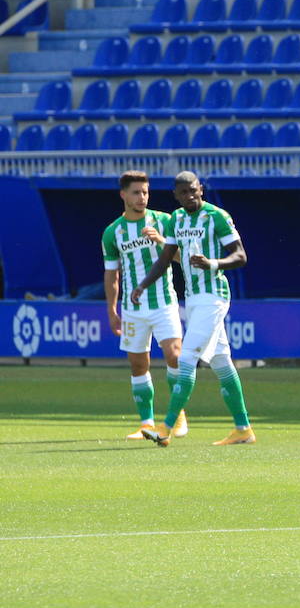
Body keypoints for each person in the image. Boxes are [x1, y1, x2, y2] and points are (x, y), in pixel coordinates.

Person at [132, 172, 255, 447]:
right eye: (183, 193)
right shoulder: (176, 218)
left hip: (214, 296)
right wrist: (143, 285)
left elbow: (240, 256)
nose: (189, 196)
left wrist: (212, 263)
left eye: (193, 190)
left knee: (187, 358)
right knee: (222, 362)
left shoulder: (217, 216)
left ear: (201, 189)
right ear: (176, 196)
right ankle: (243, 429)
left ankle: (165, 428)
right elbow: (166, 257)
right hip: (194, 297)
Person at [101, 170, 188, 441]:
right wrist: (112, 310)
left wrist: (162, 243)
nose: (142, 197)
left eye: (146, 192)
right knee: (138, 365)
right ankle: (145, 424)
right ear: (123, 195)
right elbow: (111, 274)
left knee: (175, 355)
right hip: (133, 308)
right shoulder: (112, 232)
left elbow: (185, 259)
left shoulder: (164, 221)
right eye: (137, 192)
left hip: (164, 302)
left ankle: (178, 415)